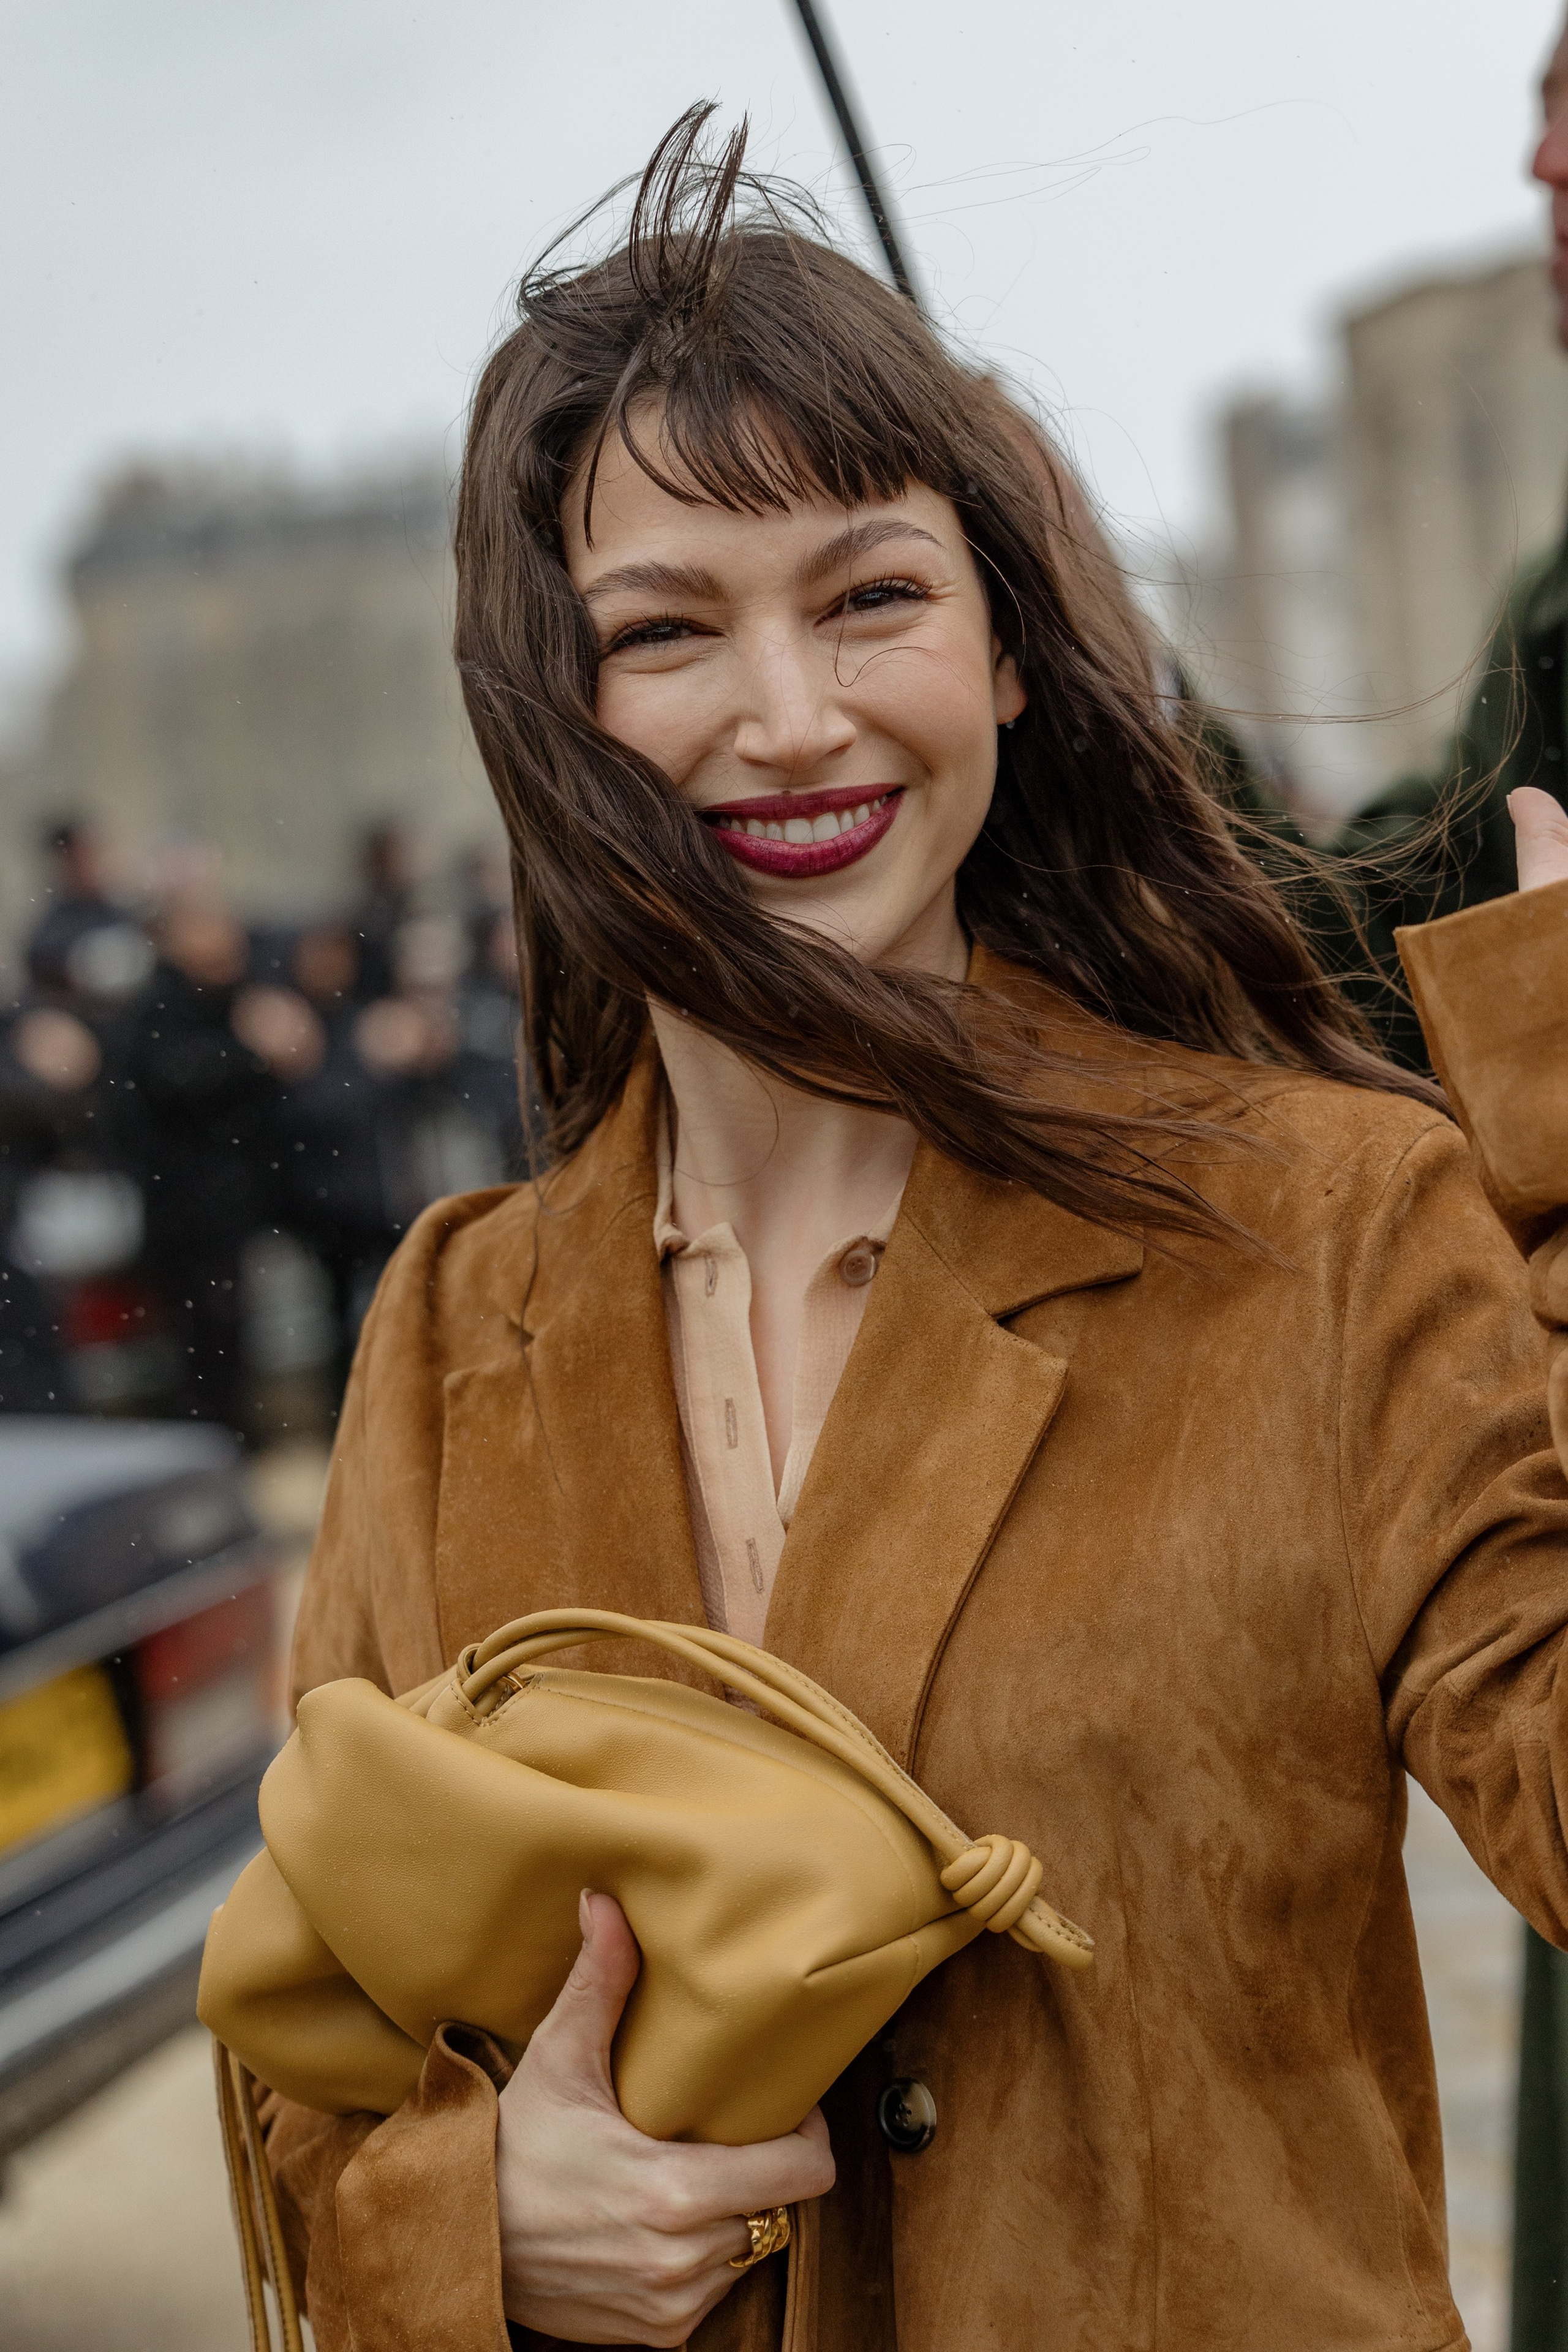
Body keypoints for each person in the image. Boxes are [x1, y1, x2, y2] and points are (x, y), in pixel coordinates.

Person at [254, 111, 1568, 2352]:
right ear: (551, 718)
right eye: (666, 630)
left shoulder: (1329, 1224)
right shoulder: (450, 1328)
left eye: (874, 596)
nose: (793, 720)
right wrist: (474, 2229)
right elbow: (316, 2060)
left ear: (1012, 661)